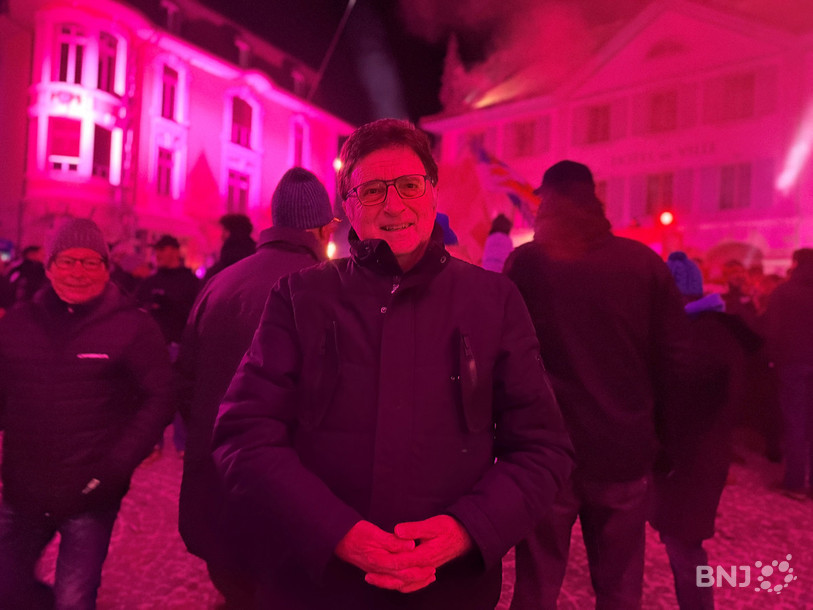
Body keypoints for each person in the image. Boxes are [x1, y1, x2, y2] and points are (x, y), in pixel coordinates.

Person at [211, 119, 574, 610]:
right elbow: (245, 433)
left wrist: (468, 529)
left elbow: (541, 448)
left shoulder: (494, 300)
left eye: (408, 185)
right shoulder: (300, 297)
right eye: (373, 190)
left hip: (448, 590)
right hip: (316, 586)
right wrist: (334, 530)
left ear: (432, 194)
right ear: (349, 207)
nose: (394, 204)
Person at [504, 160, 689, 610]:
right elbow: (675, 364)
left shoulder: (527, 264)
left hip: (547, 452)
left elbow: (503, 355)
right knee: (620, 587)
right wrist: (666, 445)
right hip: (622, 451)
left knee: (536, 587)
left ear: (547, 201)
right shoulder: (643, 265)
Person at [176, 167, 338, 607]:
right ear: (323, 228)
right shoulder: (330, 291)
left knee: (237, 592)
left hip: (216, 489)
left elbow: (186, 383)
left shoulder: (219, 283)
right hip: (290, 501)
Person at [0, 217, 173, 609]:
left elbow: (160, 397)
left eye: (90, 262)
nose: (78, 271)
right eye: (67, 261)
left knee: (74, 598)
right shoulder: (20, 323)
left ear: (106, 268)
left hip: (90, 492)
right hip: (23, 491)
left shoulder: (133, 327)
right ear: (48, 267)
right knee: (6, 589)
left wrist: (114, 468)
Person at [652, 252, 760, 610]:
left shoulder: (700, 338)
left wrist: (667, 454)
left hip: (692, 459)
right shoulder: (712, 331)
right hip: (701, 455)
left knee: (685, 546)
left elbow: (689, 406)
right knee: (681, 541)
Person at [137, 234, 200, 456]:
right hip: (153, 345)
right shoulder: (151, 282)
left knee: (179, 393)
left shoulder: (190, 282)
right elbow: (136, 308)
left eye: (162, 250)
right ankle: (154, 441)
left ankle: (182, 443)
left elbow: (197, 314)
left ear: (174, 251)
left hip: (179, 344)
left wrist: (171, 305)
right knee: (152, 394)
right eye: (157, 251)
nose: (159, 255)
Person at [763, 247, 813, 500]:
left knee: (795, 422)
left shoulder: (785, 292)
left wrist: (772, 358)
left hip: (793, 361)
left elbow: (772, 328)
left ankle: (794, 482)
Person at [202, 213, 257, 283]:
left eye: (224, 230)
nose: (221, 236)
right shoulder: (255, 253)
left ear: (229, 232)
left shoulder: (226, 260)